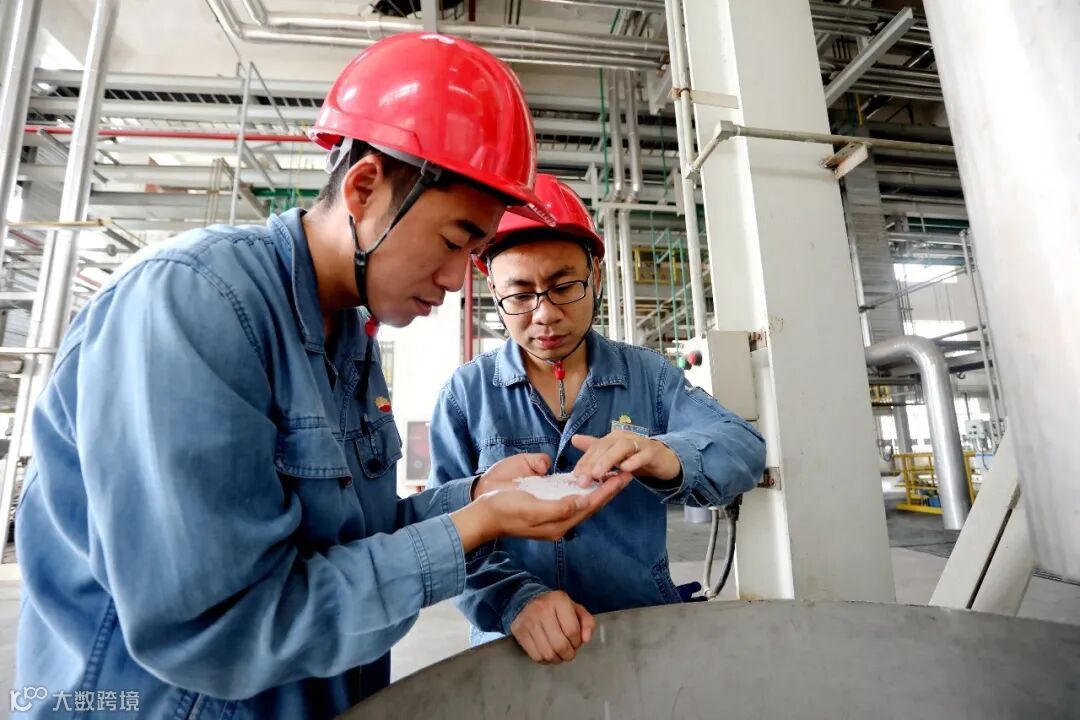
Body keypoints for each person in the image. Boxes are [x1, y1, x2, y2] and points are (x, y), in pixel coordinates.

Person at [13, 36, 631, 719]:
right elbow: (221, 626)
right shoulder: (196, 305)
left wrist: (477, 499)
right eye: (454, 240)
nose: (459, 279)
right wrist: (472, 526)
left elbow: (352, 545)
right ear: (364, 188)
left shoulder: (347, 339)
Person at [428, 174, 766, 665]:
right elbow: (444, 531)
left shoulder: (648, 377)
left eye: (564, 286)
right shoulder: (466, 395)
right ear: (493, 290)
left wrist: (666, 455)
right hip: (515, 645)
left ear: (597, 278)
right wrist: (513, 601)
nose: (544, 314)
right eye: (519, 295)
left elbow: (743, 448)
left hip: (639, 631)